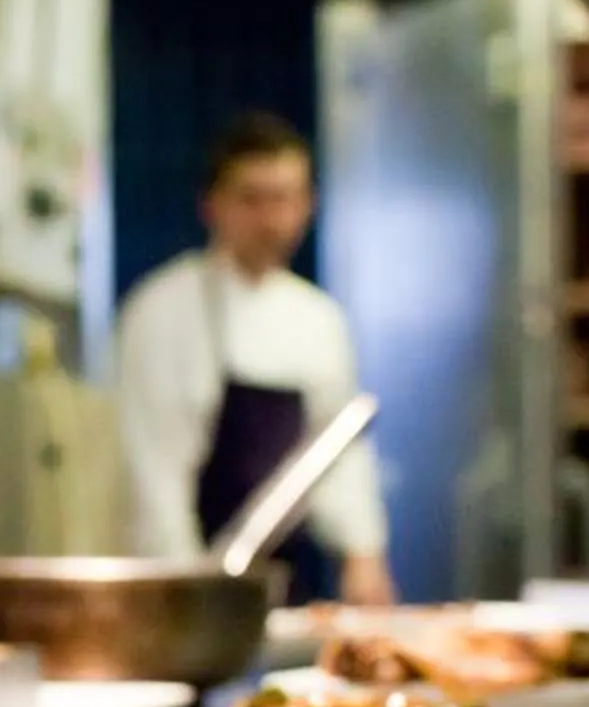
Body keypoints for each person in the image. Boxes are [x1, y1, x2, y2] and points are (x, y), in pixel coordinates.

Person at [113, 112, 397, 607]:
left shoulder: (319, 319)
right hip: (190, 574)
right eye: (251, 199)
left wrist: (363, 555)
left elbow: (338, 453)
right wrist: (189, 592)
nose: (269, 220)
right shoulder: (163, 310)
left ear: (308, 205)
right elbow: (153, 475)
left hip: (287, 574)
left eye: (284, 198)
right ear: (211, 205)